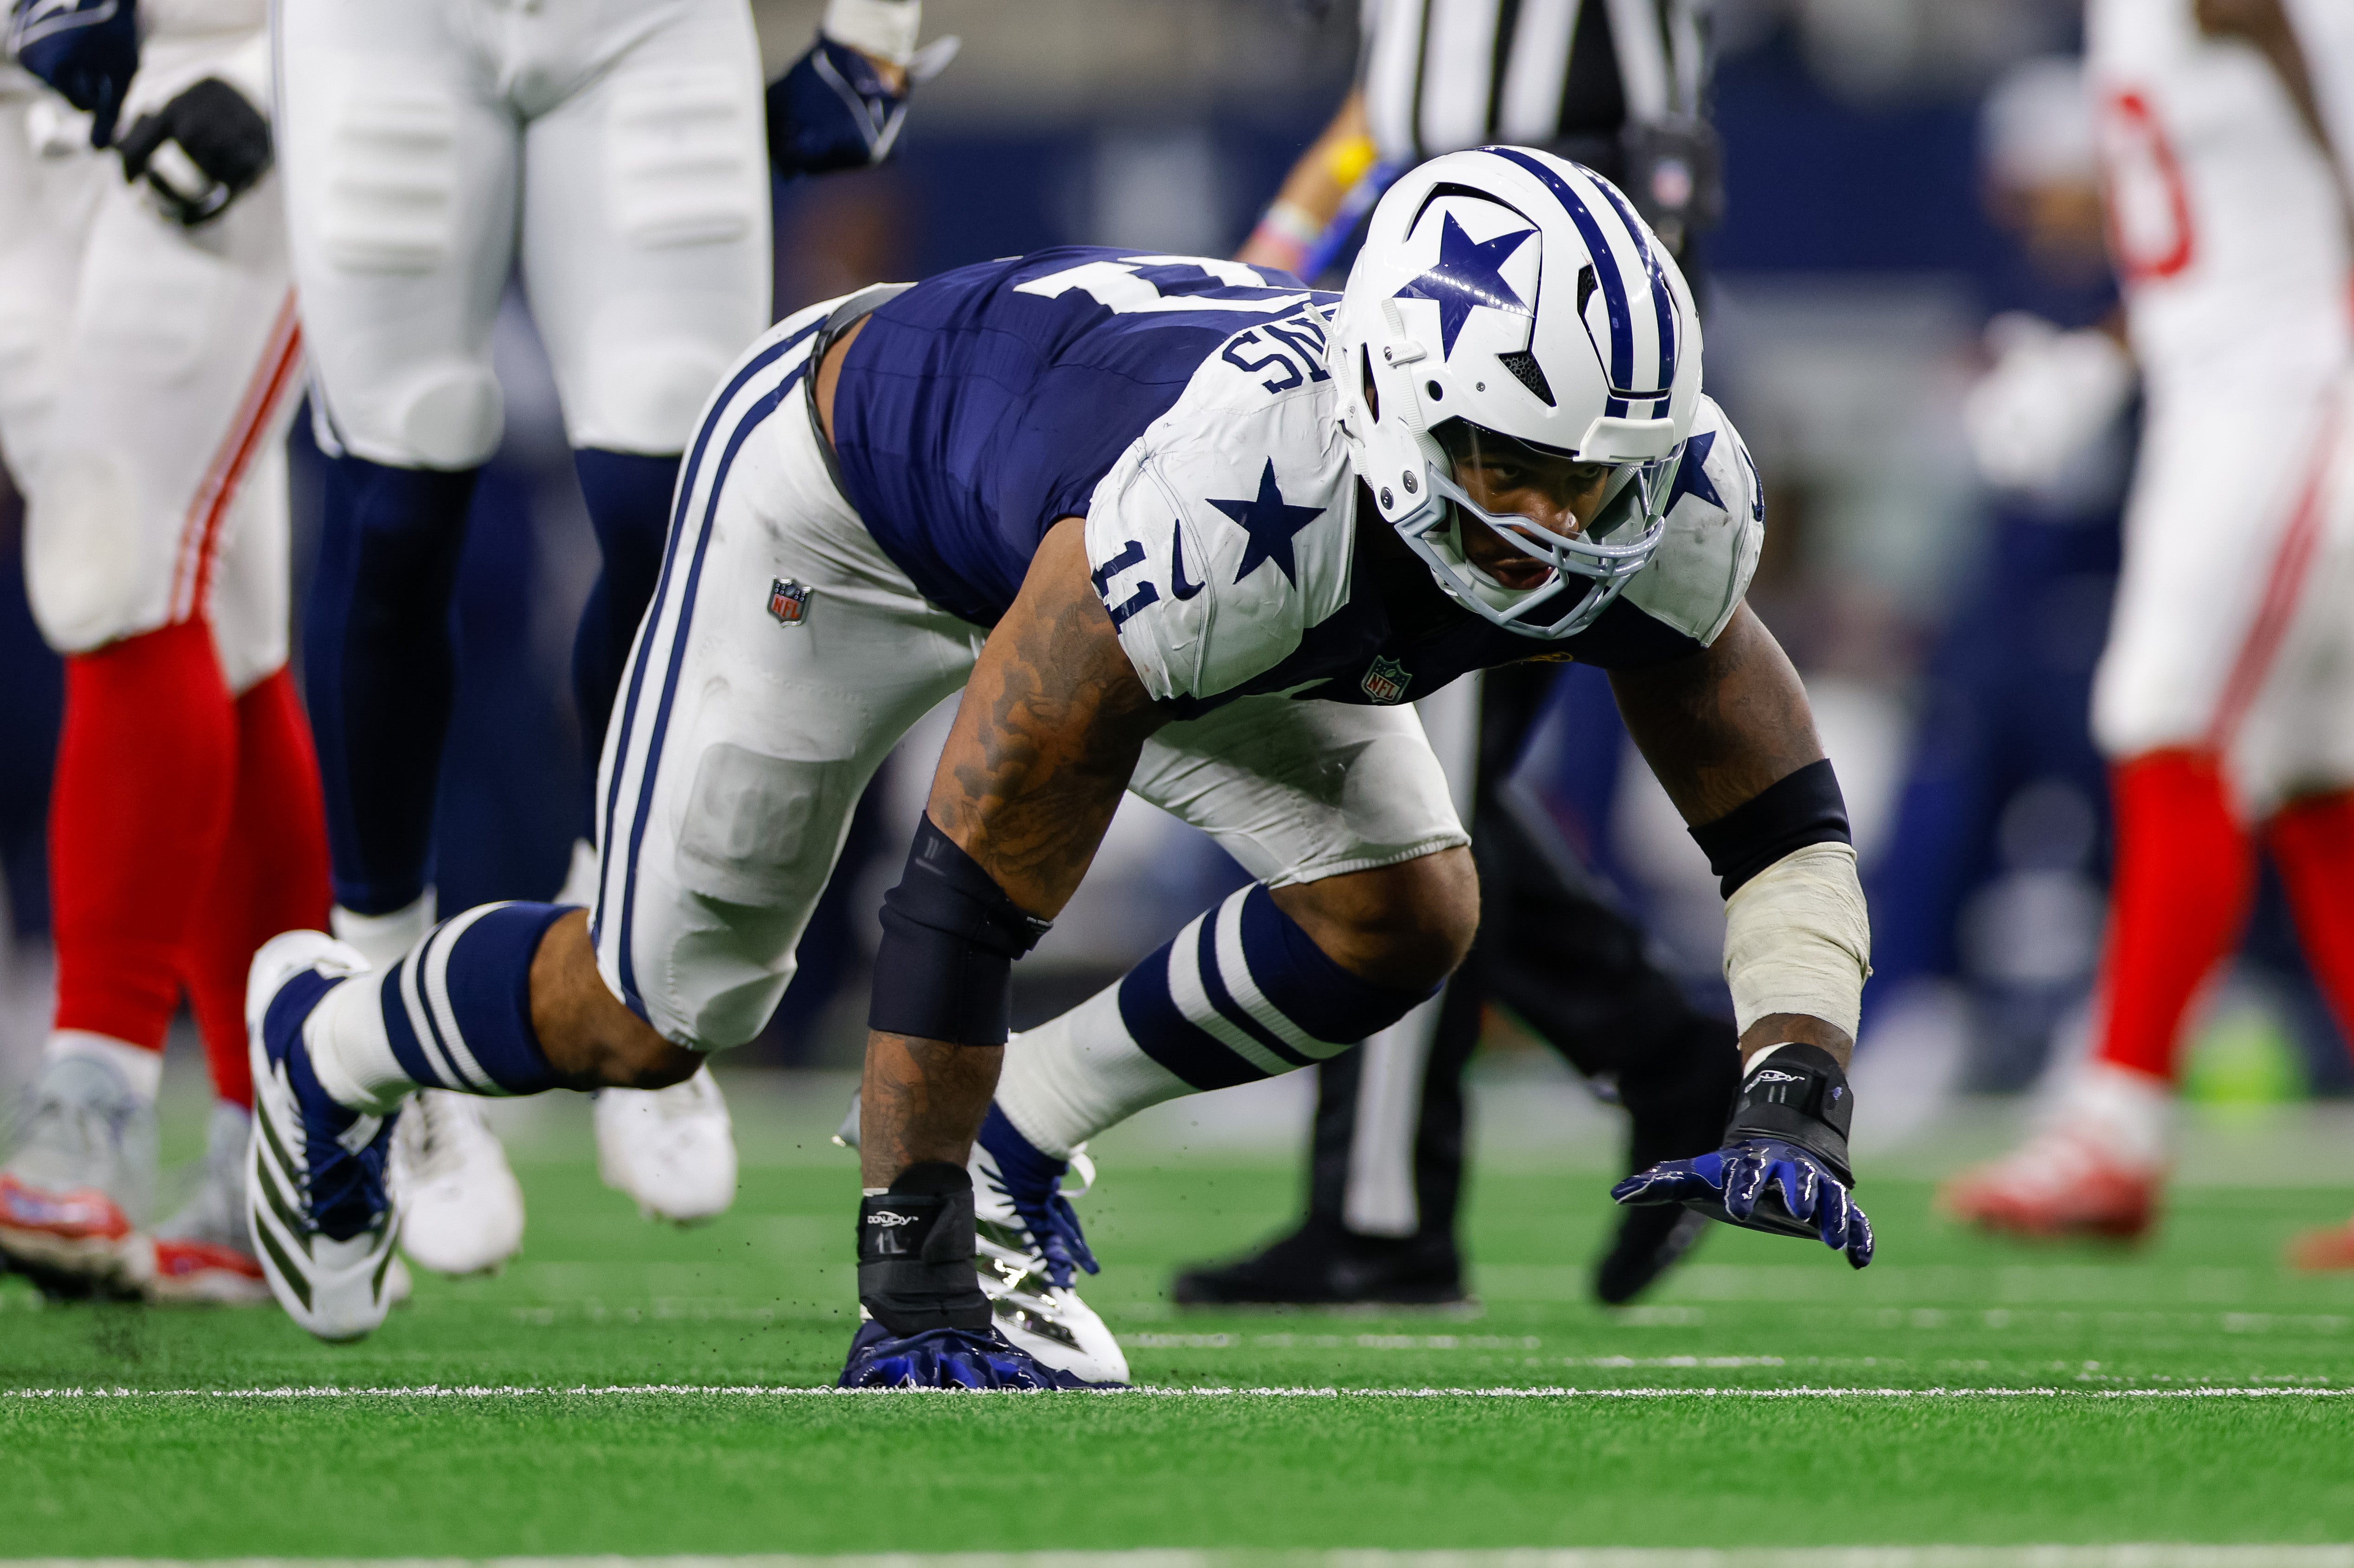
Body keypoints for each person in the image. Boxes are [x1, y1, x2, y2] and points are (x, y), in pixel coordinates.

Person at [239, 149, 1876, 1391]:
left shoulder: (1667, 506)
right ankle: (328, 1040)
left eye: (1600, 477)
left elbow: (1778, 823)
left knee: (1405, 909)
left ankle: (1024, 1139)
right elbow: (964, 883)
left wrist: (1795, 1075)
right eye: (1515, 467)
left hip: (1128, 555)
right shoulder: (1231, 503)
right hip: (846, 514)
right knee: (652, 1015)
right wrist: (912, 1269)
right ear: (1398, 398)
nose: (1564, 522)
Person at [273, 0, 945, 1275]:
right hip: (388, 27)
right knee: (400, 489)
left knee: (673, 500)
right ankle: (378, 1017)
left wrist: (876, 33)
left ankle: (626, 962)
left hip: (648, 23)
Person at [1177, 0, 1731, 1310]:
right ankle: (1663, 1054)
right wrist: (1282, 243)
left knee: (1414, 752)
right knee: (1368, 720)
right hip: (1419, 227)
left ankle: (1382, 1213)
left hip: (1560, 237)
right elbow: (1397, 83)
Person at [1940, 0, 2354, 1256]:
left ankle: (2112, 1129)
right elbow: (2226, 238)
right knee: (2314, 776)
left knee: (2167, 719)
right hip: (2223, 383)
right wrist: (2103, 360)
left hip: (2293, 385)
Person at [0, 0, 336, 1303]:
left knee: (116, 547)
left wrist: (280, 66)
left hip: (209, 65)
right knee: (216, 617)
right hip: (25, 106)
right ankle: (290, 1147)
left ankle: (93, 1102)